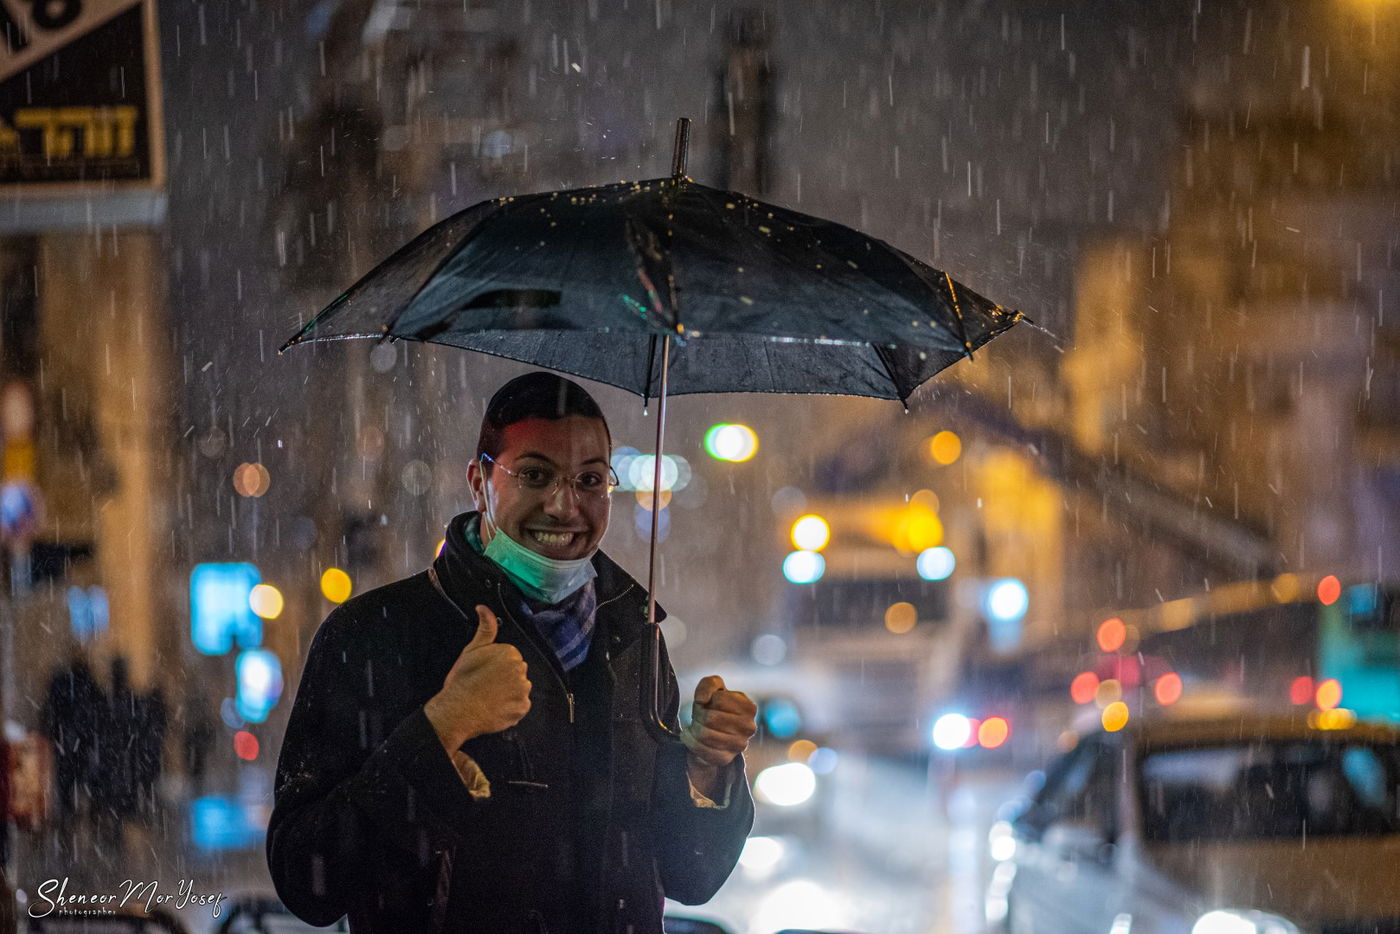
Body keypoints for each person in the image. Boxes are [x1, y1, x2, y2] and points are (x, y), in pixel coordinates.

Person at [268, 372, 758, 933]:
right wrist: (440, 729)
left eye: (590, 479)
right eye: (534, 475)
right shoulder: (373, 633)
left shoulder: (633, 638)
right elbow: (307, 879)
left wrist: (707, 769)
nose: (564, 504)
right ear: (479, 482)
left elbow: (690, 876)